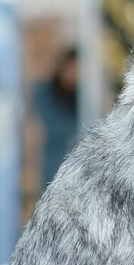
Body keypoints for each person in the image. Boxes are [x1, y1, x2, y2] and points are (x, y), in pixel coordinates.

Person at [32, 46, 79, 191]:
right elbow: (55, 126)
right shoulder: (44, 92)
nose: (74, 73)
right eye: (71, 67)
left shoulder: (81, 96)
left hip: (78, 173)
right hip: (53, 170)